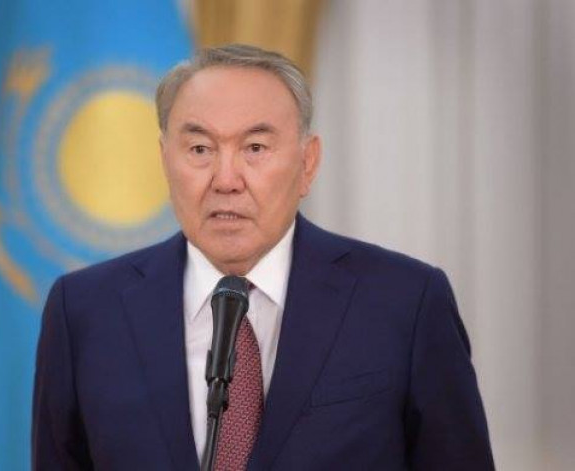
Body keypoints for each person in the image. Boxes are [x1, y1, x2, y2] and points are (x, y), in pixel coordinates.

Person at [32, 44, 494, 470]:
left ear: (307, 163)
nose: (226, 180)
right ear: (164, 159)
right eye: (200, 149)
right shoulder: (85, 311)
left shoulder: (406, 304)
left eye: (254, 148)